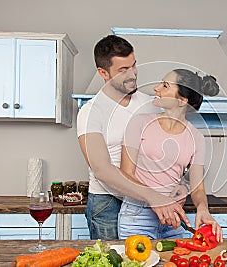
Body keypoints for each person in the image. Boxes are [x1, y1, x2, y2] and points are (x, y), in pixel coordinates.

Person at [77, 35, 190, 239]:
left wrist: (182, 185)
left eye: (134, 65)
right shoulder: (90, 112)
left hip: (149, 204)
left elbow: (171, 151)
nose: (133, 74)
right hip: (108, 204)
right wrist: (153, 197)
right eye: (123, 70)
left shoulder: (151, 104)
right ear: (103, 72)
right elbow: (102, 170)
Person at [118, 69, 223, 241]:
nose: (156, 88)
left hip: (173, 220)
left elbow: (198, 188)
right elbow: (125, 175)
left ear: (182, 100)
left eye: (165, 85)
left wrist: (203, 208)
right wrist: (159, 199)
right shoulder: (139, 123)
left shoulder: (196, 138)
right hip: (137, 217)